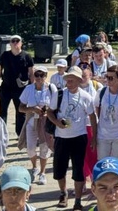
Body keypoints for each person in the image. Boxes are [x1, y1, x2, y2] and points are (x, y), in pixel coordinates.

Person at [46, 66, 97, 211]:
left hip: (79, 137)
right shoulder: (60, 94)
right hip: (61, 137)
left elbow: (92, 116)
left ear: (78, 80)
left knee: (78, 171)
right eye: (68, 78)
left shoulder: (86, 97)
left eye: (72, 78)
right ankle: (63, 193)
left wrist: (94, 137)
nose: (69, 81)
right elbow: (49, 112)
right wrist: (56, 123)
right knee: (59, 168)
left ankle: (78, 200)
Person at [18, 65, 57, 185]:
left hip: (46, 121)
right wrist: (32, 109)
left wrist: (48, 112)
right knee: (30, 148)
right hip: (32, 121)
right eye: (37, 75)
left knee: (44, 148)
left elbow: (56, 105)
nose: (39, 78)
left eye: (42, 75)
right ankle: (34, 166)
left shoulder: (51, 88)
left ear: (46, 76)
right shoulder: (29, 89)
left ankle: (42, 172)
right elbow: (20, 108)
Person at [0, 35, 34, 136]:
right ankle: (2, 133)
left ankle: (20, 133)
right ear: (10, 43)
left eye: (17, 41)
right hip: (6, 87)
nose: (15, 43)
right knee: (2, 111)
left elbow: (31, 73)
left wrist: (33, 88)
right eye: (13, 41)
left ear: (21, 43)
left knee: (20, 111)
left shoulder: (27, 56)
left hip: (21, 88)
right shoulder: (5, 55)